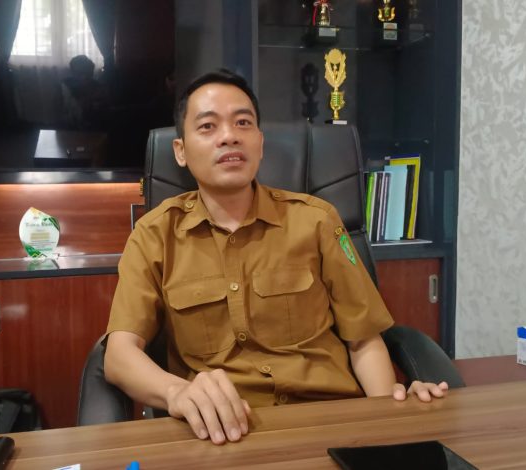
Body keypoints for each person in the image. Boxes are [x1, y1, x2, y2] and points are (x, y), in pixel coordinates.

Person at [104, 69, 448, 446]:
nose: (229, 136)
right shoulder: (154, 236)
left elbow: (363, 340)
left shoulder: (316, 220)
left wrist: (387, 416)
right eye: (207, 126)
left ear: (260, 142)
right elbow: (119, 356)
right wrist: (178, 392)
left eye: (243, 122)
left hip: (331, 422)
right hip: (224, 433)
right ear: (180, 151)